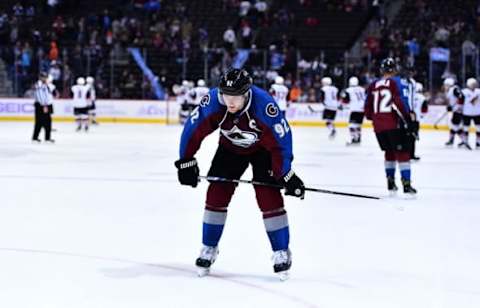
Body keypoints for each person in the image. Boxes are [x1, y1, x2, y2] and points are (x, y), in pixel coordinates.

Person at [174, 68, 305, 280]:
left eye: (235, 97)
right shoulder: (214, 101)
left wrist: (286, 174)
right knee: (216, 193)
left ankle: (281, 250)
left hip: (263, 150)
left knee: (268, 195)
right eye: (226, 95)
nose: (230, 102)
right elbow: (193, 128)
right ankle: (209, 247)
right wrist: (185, 160)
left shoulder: (264, 106)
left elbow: (281, 143)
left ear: (246, 93)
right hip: (230, 149)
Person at [364, 58, 417, 196]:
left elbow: (367, 108)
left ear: (382, 70)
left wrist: (375, 118)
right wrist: (408, 120)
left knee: (389, 153)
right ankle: (406, 184)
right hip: (394, 124)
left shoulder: (373, 84)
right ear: (395, 69)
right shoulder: (397, 82)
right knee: (403, 153)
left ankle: (390, 182)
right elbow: (399, 103)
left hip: (378, 126)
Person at [340, 76, 366, 145]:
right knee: (358, 125)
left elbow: (346, 100)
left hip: (355, 109)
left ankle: (354, 139)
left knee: (351, 126)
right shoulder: (362, 89)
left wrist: (341, 105)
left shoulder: (348, 90)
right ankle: (358, 138)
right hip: (362, 109)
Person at [32, 72, 54, 143]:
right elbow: (40, 96)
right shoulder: (39, 85)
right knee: (40, 122)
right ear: (40, 77)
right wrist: (44, 105)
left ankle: (46, 137)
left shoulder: (45, 85)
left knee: (47, 122)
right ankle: (36, 138)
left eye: (46, 77)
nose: (45, 78)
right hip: (41, 105)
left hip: (44, 105)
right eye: (44, 77)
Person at [443, 78, 465, 147]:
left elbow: (461, 97)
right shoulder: (450, 90)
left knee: (455, 125)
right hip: (455, 110)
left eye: (446, 85)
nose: (445, 86)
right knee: (454, 125)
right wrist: (450, 106)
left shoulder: (454, 89)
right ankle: (452, 140)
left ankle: (463, 140)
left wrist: (457, 107)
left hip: (458, 110)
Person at [461, 78, 480, 149]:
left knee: (479, 128)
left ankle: (478, 142)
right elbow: (460, 102)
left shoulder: (479, 91)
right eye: (472, 84)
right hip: (467, 113)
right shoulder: (464, 92)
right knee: (466, 128)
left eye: (475, 83)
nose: (474, 85)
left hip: (477, 113)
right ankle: (465, 141)